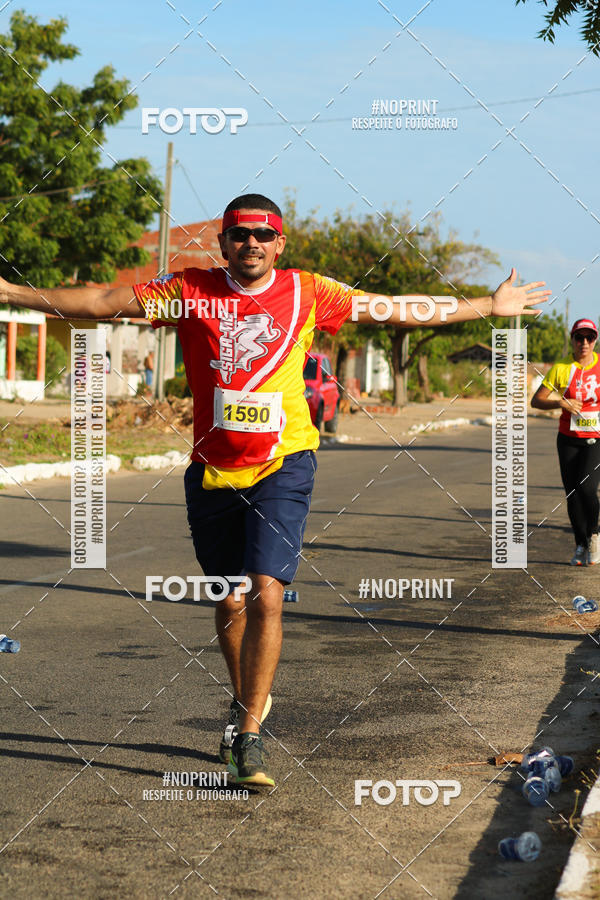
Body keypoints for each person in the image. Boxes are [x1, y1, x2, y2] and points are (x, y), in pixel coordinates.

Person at [0, 193, 550, 786]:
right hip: (213, 469)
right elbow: (105, 302)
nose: (252, 243)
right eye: (240, 234)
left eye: (264, 235)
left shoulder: (309, 291)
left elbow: (394, 309)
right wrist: (11, 293)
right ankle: (245, 702)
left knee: (266, 593)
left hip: (284, 462)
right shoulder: (189, 289)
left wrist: (487, 306)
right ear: (223, 242)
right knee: (229, 598)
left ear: (280, 243)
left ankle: (249, 737)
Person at [531, 318, 600, 566]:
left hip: (595, 438)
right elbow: (536, 401)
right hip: (568, 439)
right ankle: (580, 544)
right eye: (579, 337)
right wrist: (560, 402)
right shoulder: (560, 368)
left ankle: (594, 535)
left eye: (589, 337)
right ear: (572, 340)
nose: (584, 342)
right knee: (572, 494)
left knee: (587, 488)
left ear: (595, 340)